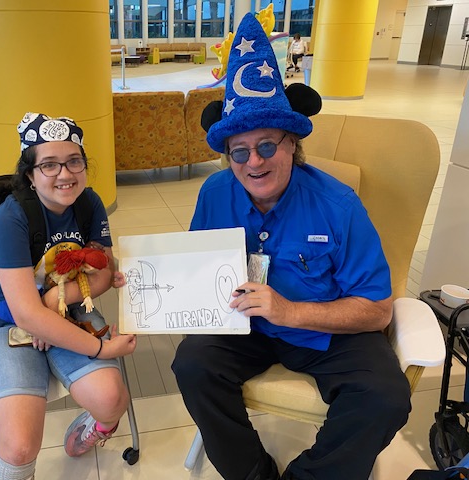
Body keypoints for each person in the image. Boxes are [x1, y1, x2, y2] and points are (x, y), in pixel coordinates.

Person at [171, 13, 411, 480]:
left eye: (267, 146)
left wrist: (290, 312)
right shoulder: (214, 194)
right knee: (192, 365)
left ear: (293, 143)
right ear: (227, 156)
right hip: (244, 326)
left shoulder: (338, 205)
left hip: (321, 328)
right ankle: (252, 473)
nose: (254, 162)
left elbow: (377, 311)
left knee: (385, 396)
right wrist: (151, 284)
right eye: (239, 152)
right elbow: (195, 269)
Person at [0, 113, 137, 480]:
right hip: (4, 321)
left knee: (112, 402)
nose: (65, 174)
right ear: (29, 174)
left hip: (67, 308)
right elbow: (25, 314)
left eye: (74, 161)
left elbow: (105, 270)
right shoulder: (10, 217)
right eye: (49, 165)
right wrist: (102, 349)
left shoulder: (88, 203)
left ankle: (99, 428)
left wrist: (53, 303)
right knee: (19, 446)